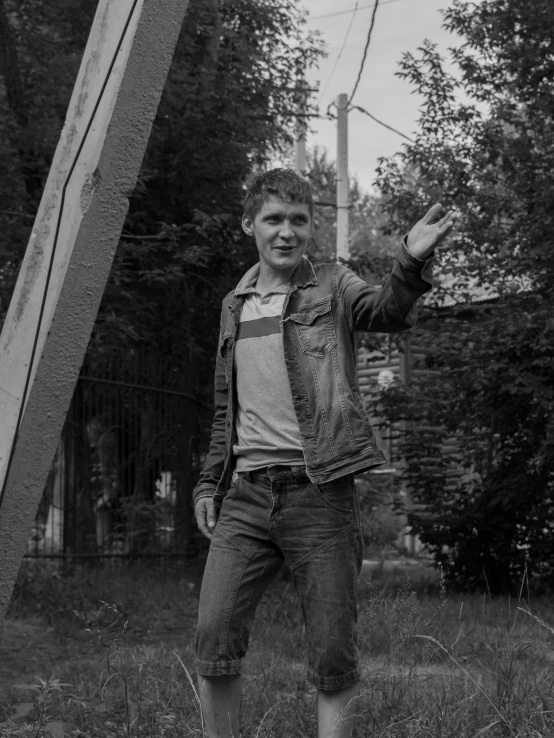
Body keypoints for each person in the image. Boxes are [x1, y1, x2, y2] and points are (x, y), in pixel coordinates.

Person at [193, 168, 457, 738]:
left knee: (332, 652)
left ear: (311, 227)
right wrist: (207, 484)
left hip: (319, 491)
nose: (285, 232)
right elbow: (225, 408)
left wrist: (409, 262)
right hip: (245, 495)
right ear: (250, 225)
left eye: (297, 220)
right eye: (273, 219)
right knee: (214, 637)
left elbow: (387, 311)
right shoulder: (233, 306)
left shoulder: (334, 286)